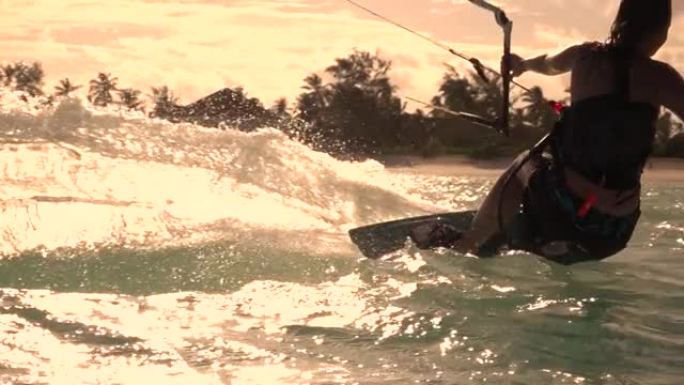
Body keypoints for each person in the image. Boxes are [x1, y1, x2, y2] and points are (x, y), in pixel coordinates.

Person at [452, 0, 684, 264]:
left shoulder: (585, 56)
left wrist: (523, 64)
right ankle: (547, 241)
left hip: (565, 207)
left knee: (524, 162)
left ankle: (468, 243)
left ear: (620, 22)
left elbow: (549, 64)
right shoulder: (663, 77)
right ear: (662, 33)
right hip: (614, 230)